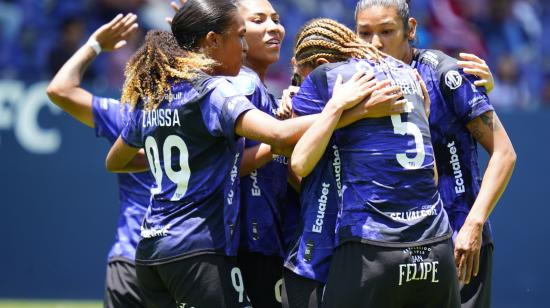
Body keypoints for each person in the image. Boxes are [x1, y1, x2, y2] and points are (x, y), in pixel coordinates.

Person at [104, 1, 382, 306]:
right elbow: (277, 134)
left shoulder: (154, 93)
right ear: (212, 40)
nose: (244, 47)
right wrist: (342, 108)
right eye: (239, 36)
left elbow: (116, 161)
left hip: (150, 253)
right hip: (198, 248)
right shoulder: (213, 91)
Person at [354, 1, 516, 307]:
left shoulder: (444, 75)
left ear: (410, 29)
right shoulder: (356, 81)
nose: (375, 43)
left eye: (386, 31)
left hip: (457, 241)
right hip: (391, 246)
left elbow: (504, 153)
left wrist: (473, 224)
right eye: (365, 33)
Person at [289, 18, 460, 307]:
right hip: (436, 248)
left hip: (372, 248)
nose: (298, 85)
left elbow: (299, 164)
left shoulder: (327, 78)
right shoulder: (408, 74)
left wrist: (335, 107)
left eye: (299, 76)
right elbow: (431, 176)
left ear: (317, 63)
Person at [46, 13, 148, 308]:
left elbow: (60, 89)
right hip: (187, 255)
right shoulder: (204, 114)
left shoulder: (126, 116)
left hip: (132, 255)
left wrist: (94, 45)